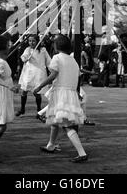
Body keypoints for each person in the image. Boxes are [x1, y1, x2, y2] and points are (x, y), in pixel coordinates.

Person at [34, 34, 88, 163]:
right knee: (55, 121)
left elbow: (53, 75)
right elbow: (76, 79)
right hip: (70, 93)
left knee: (67, 125)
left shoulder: (57, 58)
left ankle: (82, 153)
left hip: (61, 94)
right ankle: (51, 145)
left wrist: (40, 86)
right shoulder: (73, 61)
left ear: (56, 46)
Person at [16, 34, 51, 118]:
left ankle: (39, 110)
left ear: (37, 41)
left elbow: (49, 61)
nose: (31, 43)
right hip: (28, 73)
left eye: (33, 41)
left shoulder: (43, 50)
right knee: (24, 91)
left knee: (37, 92)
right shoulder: (28, 50)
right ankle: (22, 109)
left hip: (38, 73)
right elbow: (23, 57)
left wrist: (52, 69)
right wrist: (25, 58)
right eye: (30, 41)